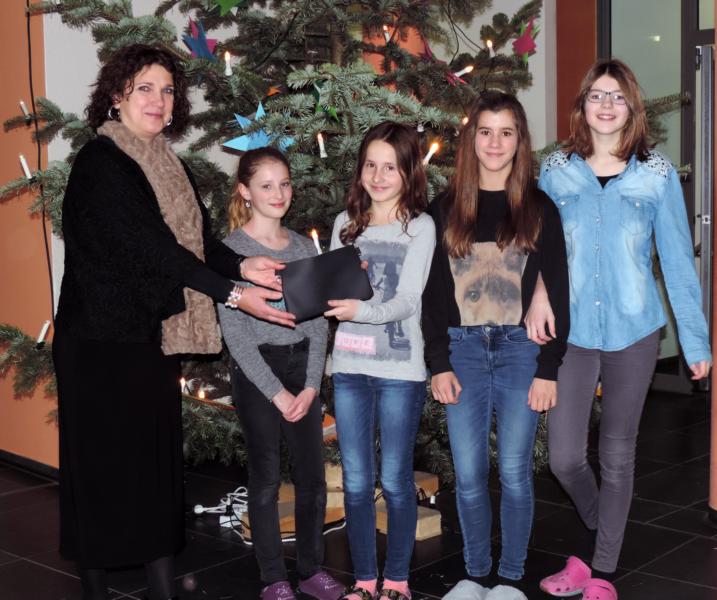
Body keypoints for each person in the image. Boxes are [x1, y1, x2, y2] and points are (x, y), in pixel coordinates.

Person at [53, 44, 294, 600]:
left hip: (149, 338)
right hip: (98, 345)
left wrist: (242, 266)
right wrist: (234, 295)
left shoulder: (166, 161)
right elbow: (154, 251)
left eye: (167, 90)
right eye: (144, 88)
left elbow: (198, 243)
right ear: (117, 96)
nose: (158, 100)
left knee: (154, 469)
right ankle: (96, 589)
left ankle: (162, 587)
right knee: (102, 474)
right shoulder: (101, 163)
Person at [535, 58, 711, 600]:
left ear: (632, 108)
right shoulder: (555, 170)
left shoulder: (655, 174)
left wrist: (695, 341)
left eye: (617, 96)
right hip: (571, 333)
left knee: (617, 453)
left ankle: (602, 570)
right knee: (564, 457)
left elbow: (676, 260)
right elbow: (536, 251)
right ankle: (602, 526)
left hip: (634, 331)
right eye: (597, 95)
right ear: (582, 105)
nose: (606, 105)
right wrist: (535, 302)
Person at [421, 91, 570, 596]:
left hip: (519, 351)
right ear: (471, 139)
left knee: (513, 471)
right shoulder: (444, 209)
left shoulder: (538, 208)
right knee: (467, 474)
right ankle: (475, 573)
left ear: (519, 141)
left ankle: (509, 578)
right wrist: (438, 363)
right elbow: (433, 296)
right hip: (461, 350)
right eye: (485, 131)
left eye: (506, 132)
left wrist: (548, 368)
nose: (495, 142)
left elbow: (558, 292)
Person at [217, 147, 344, 600]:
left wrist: (310, 385)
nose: (278, 193)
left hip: (301, 370)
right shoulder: (231, 252)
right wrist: (276, 393)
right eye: (266, 185)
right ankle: (273, 578)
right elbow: (236, 335)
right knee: (267, 479)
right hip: (258, 374)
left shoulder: (302, 246)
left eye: (284, 183)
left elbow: (317, 322)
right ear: (244, 191)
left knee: (312, 478)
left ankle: (311, 570)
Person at [325, 122, 435, 600]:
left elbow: (409, 300)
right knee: (355, 481)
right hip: (349, 368)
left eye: (390, 167)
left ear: (409, 171)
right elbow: (330, 291)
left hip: (399, 372)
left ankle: (397, 581)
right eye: (370, 164)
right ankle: (365, 581)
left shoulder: (420, 227)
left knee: (394, 479)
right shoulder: (345, 223)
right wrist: (345, 283)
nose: (378, 175)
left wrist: (361, 307)